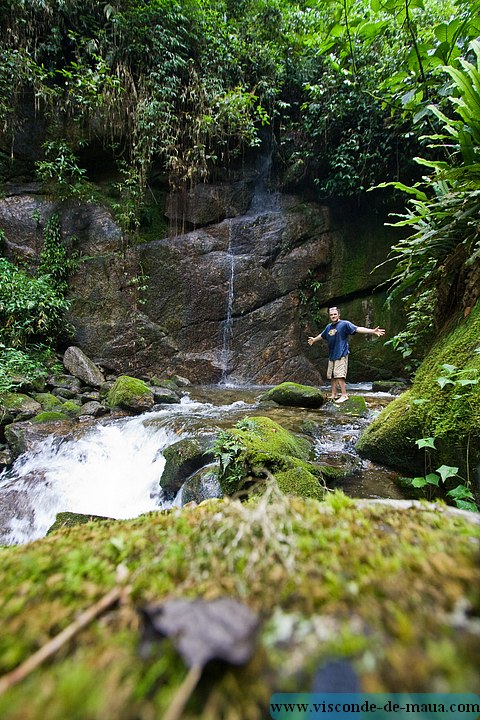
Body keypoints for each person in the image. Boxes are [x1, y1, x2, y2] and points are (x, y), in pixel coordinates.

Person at [307, 307, 385, 403]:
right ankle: (334, 394)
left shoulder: (344, 324)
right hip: (332, 355)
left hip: (341, 354)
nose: (333, 316)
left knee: (339, 375)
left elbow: (357, 329)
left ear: (339, 315)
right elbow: (322, 335)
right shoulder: (328, 327)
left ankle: (344, 395)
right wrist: (314, 339)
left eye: (335, 314)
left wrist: (372, 331)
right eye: (331, 315)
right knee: (332, 376)